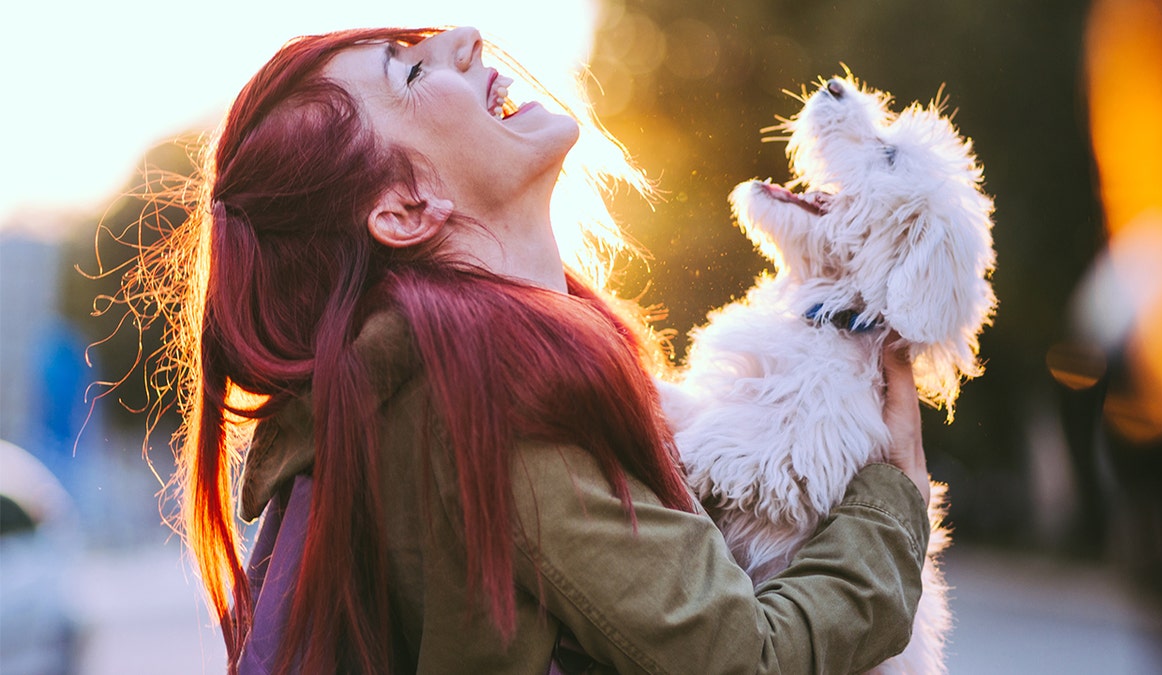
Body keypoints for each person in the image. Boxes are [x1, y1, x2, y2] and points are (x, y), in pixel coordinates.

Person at [147, 25, 931, 674]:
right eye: (413, 72)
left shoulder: (427, 384)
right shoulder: (491, 402)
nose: (464, 39)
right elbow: (740, 657)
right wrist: (895, 495)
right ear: (407, 209)